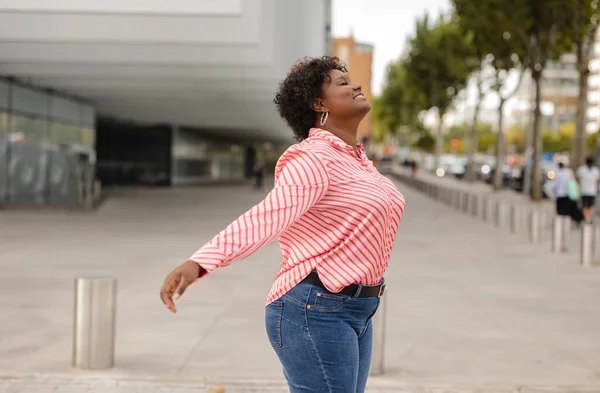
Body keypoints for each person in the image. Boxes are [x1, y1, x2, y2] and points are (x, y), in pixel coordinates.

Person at [159, 56, 406, 393]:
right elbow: (266, 217)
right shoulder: (312, 158)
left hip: (356, 309)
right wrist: (200, 262)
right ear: (319, 103)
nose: (356, 85)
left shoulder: (358, 161)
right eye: (342, 83)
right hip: (315, 309)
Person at [576, 156, 600, 223]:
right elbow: (598, 180)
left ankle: (587, 218)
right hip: (592, 191)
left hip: (584, 191)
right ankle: (588, 217)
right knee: (590, 206)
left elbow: (578, 179)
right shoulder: (596, 170)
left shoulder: (581, 170)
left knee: (585, 206)